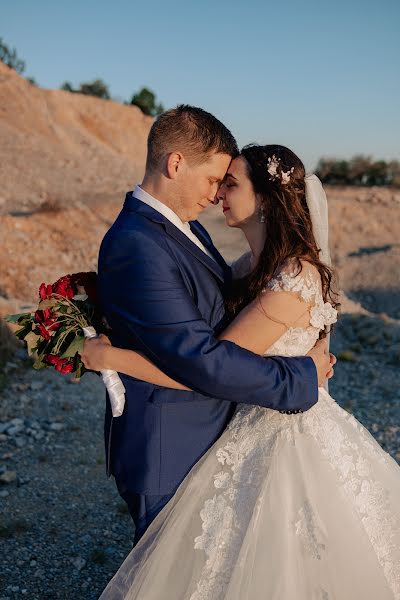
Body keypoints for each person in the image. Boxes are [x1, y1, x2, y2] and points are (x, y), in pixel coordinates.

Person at [83, 143, 400, 599]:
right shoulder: (252, 265)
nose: (219, 195)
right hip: (246, 421)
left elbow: (209, 367)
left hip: (286, 434)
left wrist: (114, 359)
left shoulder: (293, 275)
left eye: (230, 184)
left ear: (267, 198)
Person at [83, 106, 332, 547]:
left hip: (217, 432)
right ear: (176, 164)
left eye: (227, 183)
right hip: (170, 445)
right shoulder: (139, 242)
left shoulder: (188, 229)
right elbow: (203, 360)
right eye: (214, 179)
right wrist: (303, 377)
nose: (216, 194)